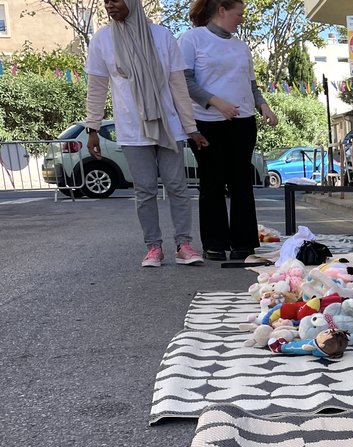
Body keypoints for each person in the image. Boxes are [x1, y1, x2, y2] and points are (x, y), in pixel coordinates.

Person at [84, 0, 209, 268]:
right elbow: (96, 88)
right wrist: (92, 128)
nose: (109, 6)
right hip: (131, 128)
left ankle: (184, 244)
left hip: (169, 126)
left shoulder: (162, 36)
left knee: (177, 186)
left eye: (115, 0)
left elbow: (178, 86)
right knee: (145, 191)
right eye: (105, 1)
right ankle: (153, 247)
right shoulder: (103, 40)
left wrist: (190, 127)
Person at [178, 0, 278, 262]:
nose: (241, 19)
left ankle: (244, 243)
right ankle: (214, 243)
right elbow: (184, 81)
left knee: (241, 182)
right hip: (207, 122)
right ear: (221, 10)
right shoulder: (192, 39)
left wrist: (263, 106)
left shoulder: (241, 47)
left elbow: (251, 84)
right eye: (239, 13)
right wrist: (216, 102)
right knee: (212, 182)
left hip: (243, 122)